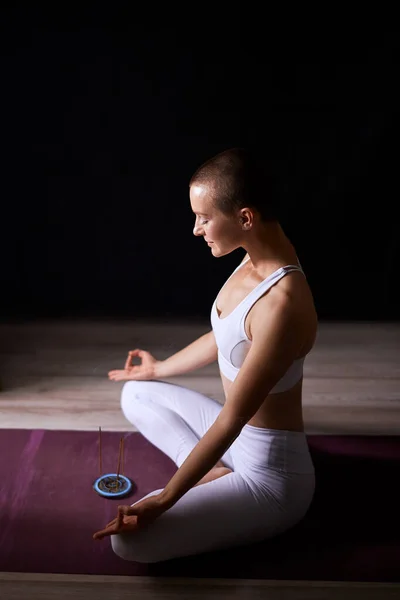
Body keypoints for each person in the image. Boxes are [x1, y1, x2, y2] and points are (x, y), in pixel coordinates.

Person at [93, 147, 318, 563]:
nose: (197, 229)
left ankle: (209, 477)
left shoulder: (282, 303)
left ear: (245, 218)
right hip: (236, 440)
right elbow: (223, 335)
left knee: (127, 542)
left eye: (204, 217)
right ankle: (210, 472)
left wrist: (163, 502)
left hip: (271, 478)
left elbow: (231, 420)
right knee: (136, 393)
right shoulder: (255, 257)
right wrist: (158, 368)